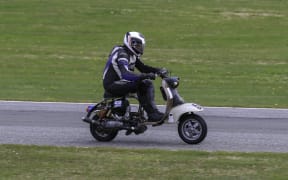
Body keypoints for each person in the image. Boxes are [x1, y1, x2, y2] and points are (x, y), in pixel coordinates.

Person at [102, 32, 166, 122]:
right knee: (145, 84)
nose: (140, 48)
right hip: (112, 84)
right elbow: (126, 74)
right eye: (138, 46)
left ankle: (149, 113)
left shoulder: (131, 55)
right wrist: (145, 76)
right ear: (131, 44)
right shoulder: (122, 55)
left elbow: (143, 67)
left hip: (121, 82)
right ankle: (152, 114)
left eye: (141, 46)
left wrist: (158, 71)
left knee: (144, 82)